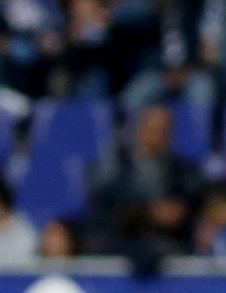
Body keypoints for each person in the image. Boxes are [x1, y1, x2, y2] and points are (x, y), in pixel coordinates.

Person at [87, 103, 204, 260]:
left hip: (168, 240)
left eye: (163, 131)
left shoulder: (182, 170)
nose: (157, 136)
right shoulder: (117, 164)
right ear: (140, 130)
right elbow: (103, 199)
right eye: (153, 130)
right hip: (122, 238)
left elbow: (192, 200)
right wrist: (149, 211)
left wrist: (179, 211)